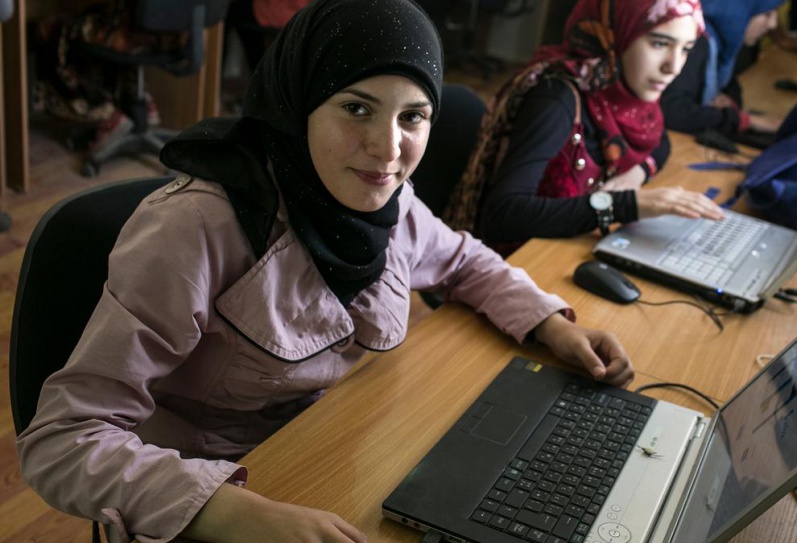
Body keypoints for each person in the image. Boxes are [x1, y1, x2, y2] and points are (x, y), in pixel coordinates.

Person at [15, 1, 635, 542]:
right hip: (197, 495)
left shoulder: (390, 202)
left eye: (413, 116)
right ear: (300, 100)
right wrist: (229, 513)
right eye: (356, 108)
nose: (388, 149)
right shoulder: (197, 228)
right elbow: (63, 440)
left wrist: (551, 322)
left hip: (336, 450)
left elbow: (463, 260)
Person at [445, 0, 724, 257]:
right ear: (617, 34)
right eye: (660, 44)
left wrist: (640, 171)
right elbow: (502, 215)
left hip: (566, 250)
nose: (673, 67)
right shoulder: (557, 99)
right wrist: (625, 204)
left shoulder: (623, 93)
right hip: (515, 263)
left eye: (686, 49)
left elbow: (659, 140)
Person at [659, 0, 786, 139]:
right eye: (767, 14)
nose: (773, 24)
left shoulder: (720, 43)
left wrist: (729, 104)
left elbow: (731, 89)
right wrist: (745, 121)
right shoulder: (694, 42)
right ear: (737, 11)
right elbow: (672, 111)